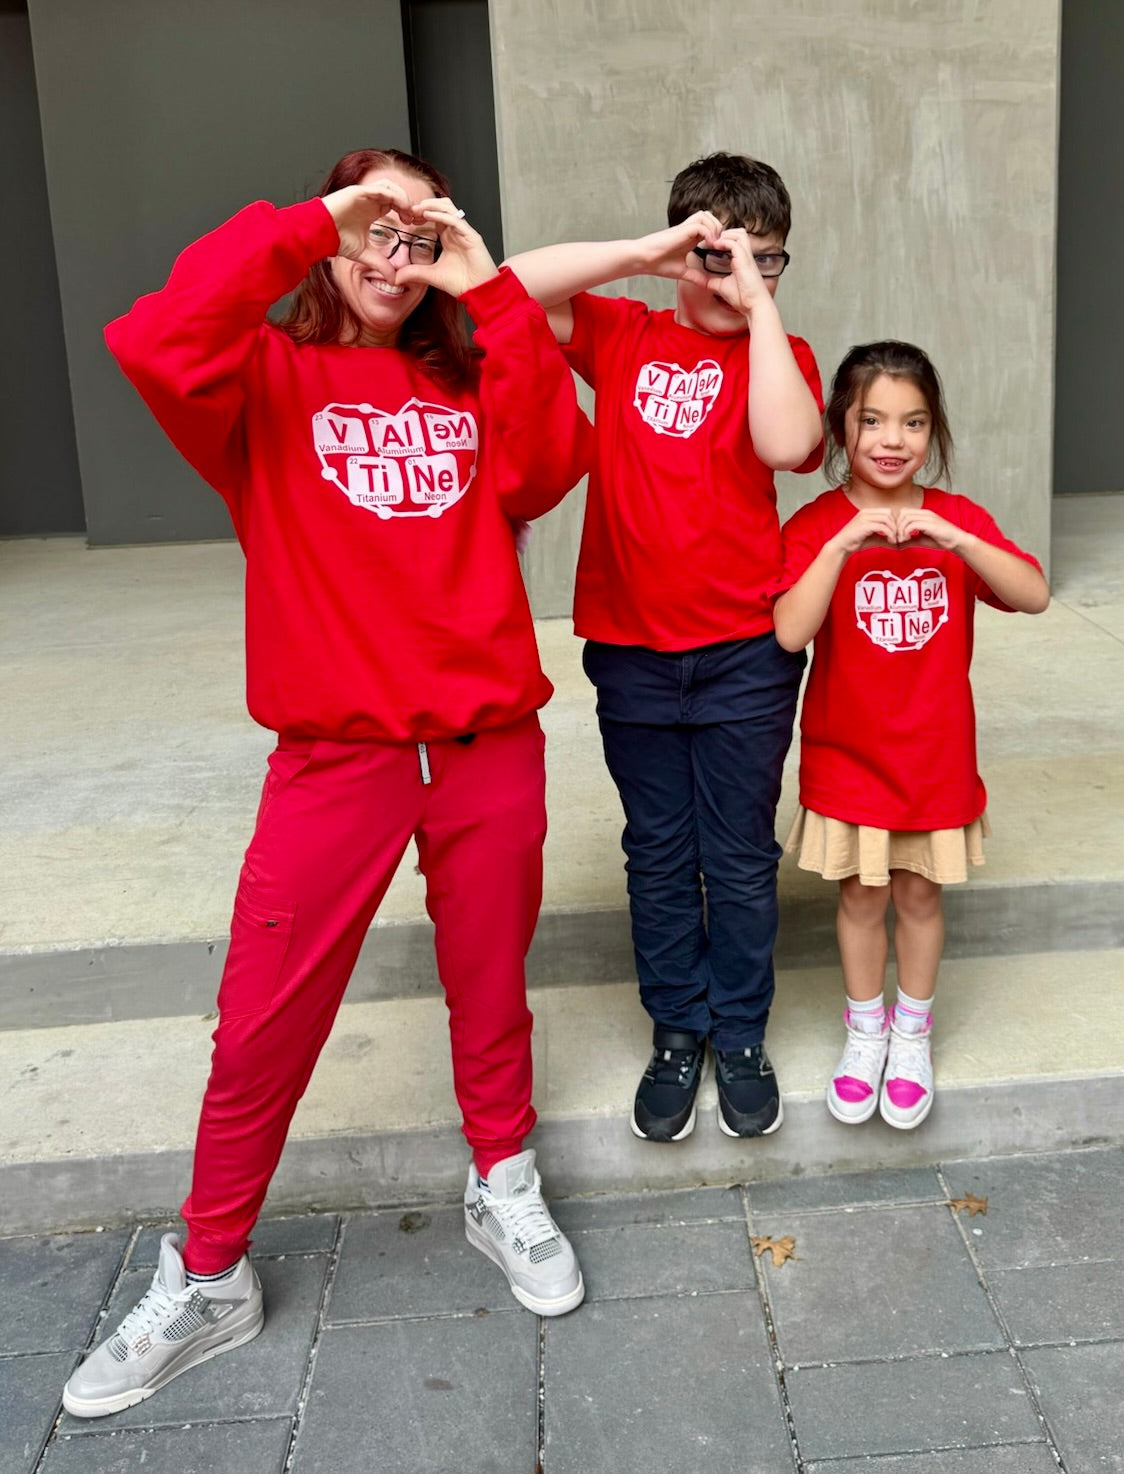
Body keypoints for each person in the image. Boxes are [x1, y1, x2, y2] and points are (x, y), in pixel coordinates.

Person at [62, 147, 592, 1420]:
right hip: (335, 756)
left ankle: (500, 1179)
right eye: (376, 224)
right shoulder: (260, 378)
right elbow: (151, 337)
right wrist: (312, 226)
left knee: (487, 983)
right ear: (335, 227)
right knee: (259, 1025)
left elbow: (553, 460)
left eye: (418, 233)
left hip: (483, 749)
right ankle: (206, 1272)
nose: (391, 255)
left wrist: (492, 291)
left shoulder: (467, 381)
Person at [506, 153, 823, 1142]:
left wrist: (755, 303)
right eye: (716, 253)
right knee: (656, 848)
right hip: (633, 647)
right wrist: (649, 256)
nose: (737, 275)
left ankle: (737, 1031)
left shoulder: (783, 351)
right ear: (680, 252)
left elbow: (785, 444)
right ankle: (676, 1027)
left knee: (733, 852)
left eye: (763, 258)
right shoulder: (622, 331)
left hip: (742, 652)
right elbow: (501, 289)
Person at [773, 341, 1049, 1130]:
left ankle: (912, 1032)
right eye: (873, 421)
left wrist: (955, 539)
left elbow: (1032, 594)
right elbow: (791, 632)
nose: (893, 440)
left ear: (934, 432)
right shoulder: (818, 524)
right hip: (850, 756)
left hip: (933, 757)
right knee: (862, 895)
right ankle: (865, 1034)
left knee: (920, 893)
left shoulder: (955, 521)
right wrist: (842, 545)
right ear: (841, 430)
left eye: (914, 422)